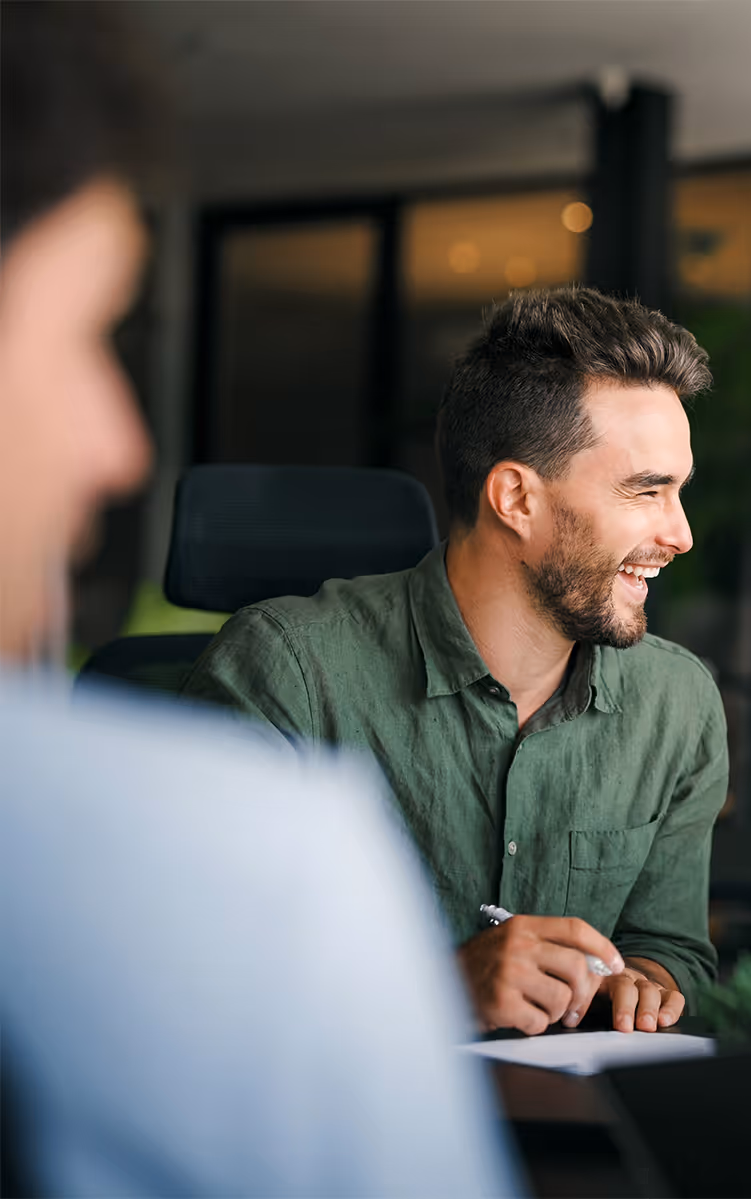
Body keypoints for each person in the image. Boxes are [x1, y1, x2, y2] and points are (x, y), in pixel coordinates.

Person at [0, 4, 516, 1194]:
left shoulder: (668, 696)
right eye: (77, 332)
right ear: (512, 496)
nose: (120, 446)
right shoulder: (238, 860)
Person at [182, 287, 726, 1037]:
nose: (681, 533)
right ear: (516, 498)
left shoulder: (677, 701)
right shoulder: (285, 673)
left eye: (679, 491)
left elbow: (669, 947)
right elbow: (193, 973)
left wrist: (645, 983)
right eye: (647, 491)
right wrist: (435, 988)